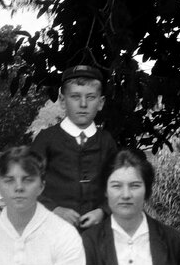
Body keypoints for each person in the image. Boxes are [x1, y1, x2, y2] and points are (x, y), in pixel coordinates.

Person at [30, 64, 117, 230]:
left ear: (101, 102)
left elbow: (117, 184)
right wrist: (54, 209)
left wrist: (103, 211)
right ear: (63, 101)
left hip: (98, 235)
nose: (83, 104)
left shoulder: (106, 142)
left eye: (91, 97)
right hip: (53, 232)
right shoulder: (46, 139)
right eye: (75, 97)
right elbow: (30, 182)